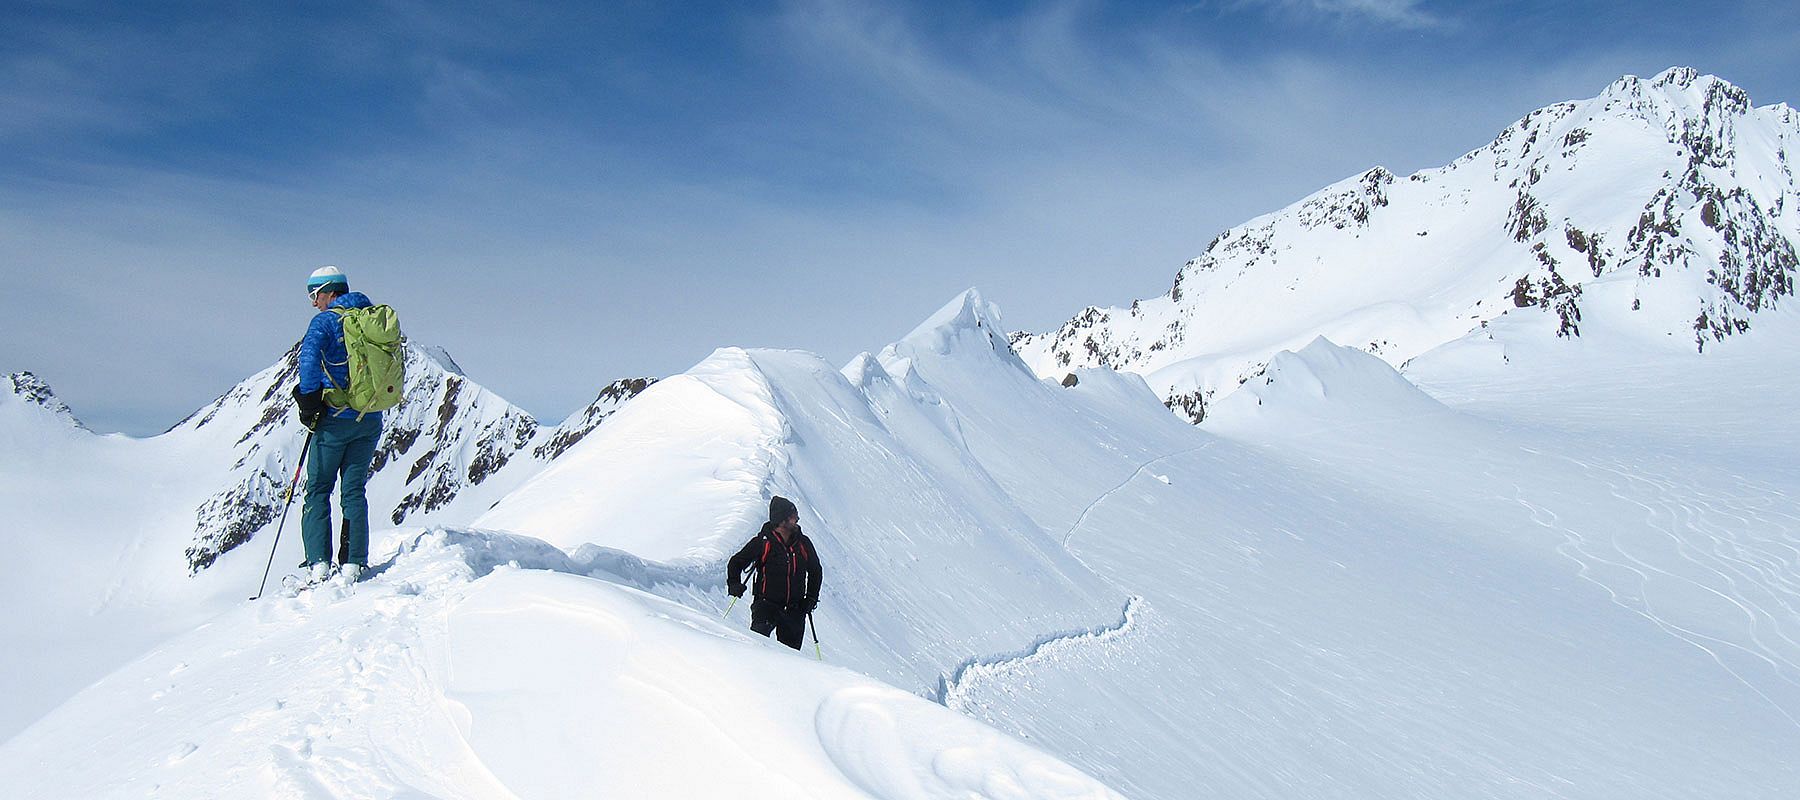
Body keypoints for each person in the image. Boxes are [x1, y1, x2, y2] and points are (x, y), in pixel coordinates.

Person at [291, 266, 383, 583]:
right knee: (354, 491)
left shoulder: (327, 321)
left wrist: (309, 404)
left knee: (317, 490)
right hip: (369, 420)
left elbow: (308, 360)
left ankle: (318, 564)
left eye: (314, 295)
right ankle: (354, 562)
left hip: (334, 421)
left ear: (329, 292)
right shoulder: (373, 318)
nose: (314, 303)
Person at [727, 496, 823, 650]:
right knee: (756, 649)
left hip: (795, 610)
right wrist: (734, 584)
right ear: (782, 520)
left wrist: (811, 598)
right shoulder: (763, 542)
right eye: (793, 516)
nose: (797, 519)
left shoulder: (803, 543)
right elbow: (736, 562)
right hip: (765, 606)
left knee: (790, 659)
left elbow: (816, 571)